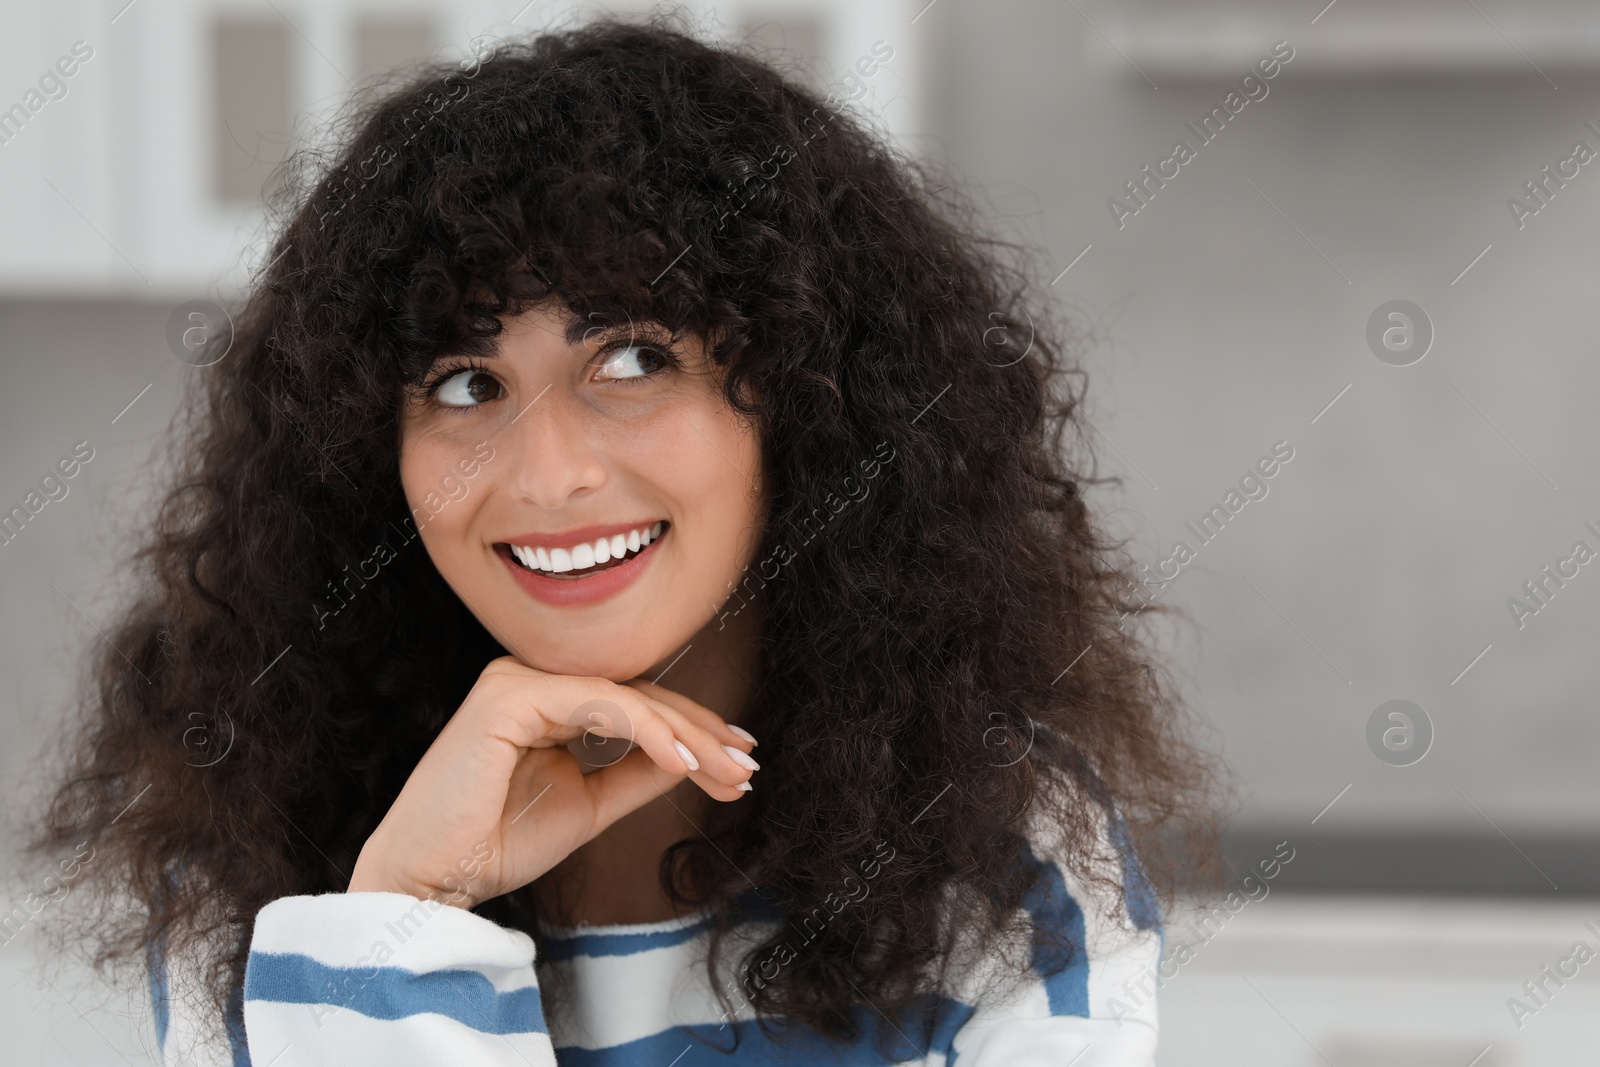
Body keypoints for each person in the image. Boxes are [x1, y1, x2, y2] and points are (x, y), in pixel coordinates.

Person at [31, 15, 1221, 1066]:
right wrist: (404, 912)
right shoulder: (256, 882)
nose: (549, 474)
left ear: (807, 405)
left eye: (635, 359)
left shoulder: (1006, 857)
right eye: (462, 383)